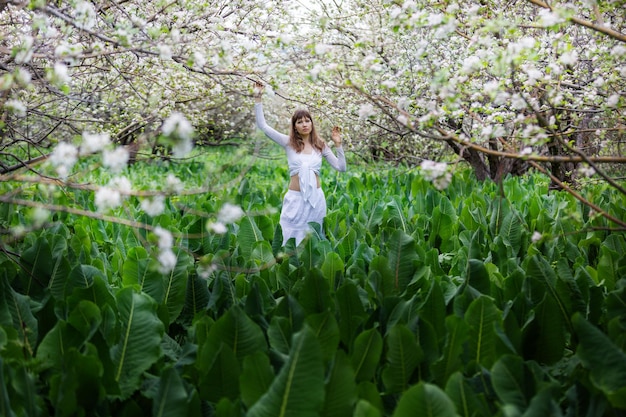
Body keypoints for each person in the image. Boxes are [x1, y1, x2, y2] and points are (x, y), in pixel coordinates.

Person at [253, 81, 346, 246]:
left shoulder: (321, 145)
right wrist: (258, 98)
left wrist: (338, 145)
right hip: (295, 199)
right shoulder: (288, 143)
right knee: (290, 238)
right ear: (295, 126)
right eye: (300, 122)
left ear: (312, 124)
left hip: (316, 199)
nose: (304, 124)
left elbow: (341, 168)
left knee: (313, 242)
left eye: (307, 121)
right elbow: (263, 127)